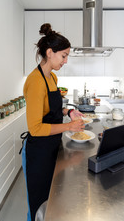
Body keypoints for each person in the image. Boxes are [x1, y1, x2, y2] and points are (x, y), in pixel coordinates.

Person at [21, 23, 85, 221]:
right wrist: (69, 127)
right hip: (38, 154)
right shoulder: (35, 81)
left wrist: (69, 112)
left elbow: (52, 108)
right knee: (39, 207)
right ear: (50, 52)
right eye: (64, 56)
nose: (65, 61)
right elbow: (35, 128)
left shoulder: (52, 77)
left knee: (52, 204)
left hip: (52, 148)